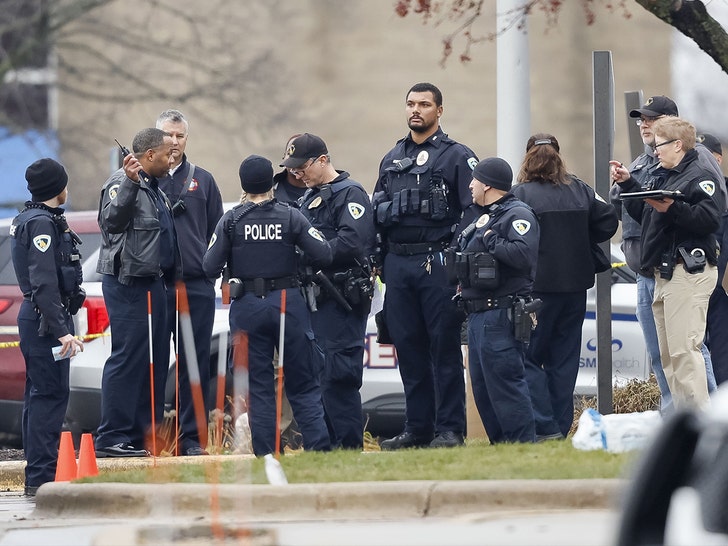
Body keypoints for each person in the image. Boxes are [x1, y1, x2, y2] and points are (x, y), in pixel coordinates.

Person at [203, 155, 333, 456]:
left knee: (259, 388)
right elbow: (323, 253)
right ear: (271, 182)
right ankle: (319, 449)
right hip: (288, 304)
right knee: (303, 384)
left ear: (243, 184)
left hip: (247, 306)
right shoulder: (291, 216)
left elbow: (209, 264)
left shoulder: (232, 220)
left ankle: (266, 455)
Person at [372, 82, 478, 450]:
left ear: (439, 111)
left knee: (443, 348)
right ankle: (417, 428)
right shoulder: (391, 157)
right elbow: (377, 211)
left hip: (437, 261)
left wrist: (455, 254)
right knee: (409, 348)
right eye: (411, 104)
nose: (416, 110)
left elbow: (474, 210)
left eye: (424, 104)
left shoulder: (457, 156)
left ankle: (449, 430)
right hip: (398, 262)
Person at [609, 97, 719, 413]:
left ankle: (702, 426)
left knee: (686, 351)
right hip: (661, 270)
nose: (654, 150)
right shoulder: (665, 169)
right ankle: (683, 424)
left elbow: (711, 218)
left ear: (679, 144)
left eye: (660, 143)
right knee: (668, 354)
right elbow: (643, 214)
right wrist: (630, 183)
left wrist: (673, 208)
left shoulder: (700, 168)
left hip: (688, 268)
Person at [511, 134, 618, 439]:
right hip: (574, 290)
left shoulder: (520, 195)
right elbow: (608, 222)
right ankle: (558, 427)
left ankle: (544, 426)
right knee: (564, 361)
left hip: (534, 293)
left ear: (527, 158)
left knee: (528, 358)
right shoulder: (580, 190)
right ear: (559, 157)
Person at [282, 133, 376, 449]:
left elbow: (352, 242)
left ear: (322, 160)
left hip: (341, 298)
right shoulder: (306, 199)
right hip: (314, 300)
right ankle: (327, 448)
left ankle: (348, 448)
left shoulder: (349, 194)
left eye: (302, 166)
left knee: (339, 376)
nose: (296, 174)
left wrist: (314, 252)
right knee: (318, 376)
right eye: (292, 168)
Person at [95, 128, 177, 457]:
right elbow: (111, 222)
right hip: (129, 284)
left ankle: (144, 437)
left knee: (153, 361)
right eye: (167, 154)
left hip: (153, 283)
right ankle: (112, 436)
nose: (173, 160)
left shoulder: (154, 186)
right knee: (128, 359)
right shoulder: (123, 182)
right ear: (149, 156)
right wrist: (129, 183)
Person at [451, 157, 539, 443]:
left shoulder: (517, 215)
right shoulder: (483, 215)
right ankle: (502, 449)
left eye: (474, 180)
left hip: (501, 314)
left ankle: (523, 449)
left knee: (506, 387)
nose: (470, 185)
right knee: (484, 390)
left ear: (487, 184)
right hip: (478, 316)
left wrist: (491, 239)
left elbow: (523, 255)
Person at [10, 159, 85, 495]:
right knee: (50, 396)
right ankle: (40, 478)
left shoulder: (30, 218)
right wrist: (61, 331)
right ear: (58, 188)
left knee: (39, 396)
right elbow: (44, 284)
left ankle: (38, 475)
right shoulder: (41, 224)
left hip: (38, 319)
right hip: (44, 323)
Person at [155, 110, 224, 456]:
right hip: (154, 286)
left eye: (180, 136)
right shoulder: (144, 179)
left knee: (193, 365)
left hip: (195, 286)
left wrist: (212, 273)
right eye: (168, 135)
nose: (174, 142)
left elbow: (217, 232)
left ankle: (191, 439)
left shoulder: (204, 181)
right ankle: (148, 439)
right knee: (152, 364)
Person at [700, 133, 728, 387]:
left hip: (721, 291)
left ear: (718, 159)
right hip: (696, 287)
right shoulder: (689, 189)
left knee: (722, 360)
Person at [274, 134, 307, 206]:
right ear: (284, 157)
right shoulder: (270, 193)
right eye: (290, 153)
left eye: (301, 154)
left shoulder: (325, 192)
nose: (296, 161)